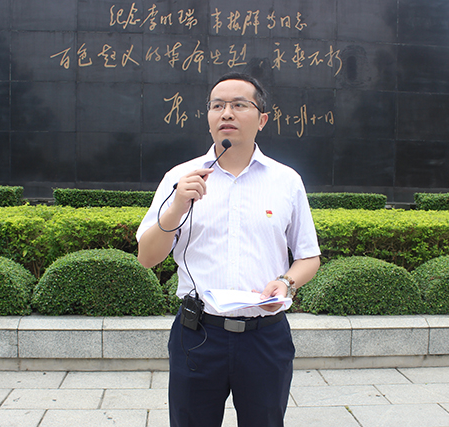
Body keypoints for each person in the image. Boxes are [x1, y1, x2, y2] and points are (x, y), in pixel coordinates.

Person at [136, 72, 321, 427]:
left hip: (265, 338)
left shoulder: (286, 181)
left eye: (239, 105)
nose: (226, 113)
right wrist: (176, 206)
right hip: (198, 336)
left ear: (262, 119)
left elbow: (308, 256)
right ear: (208, 118)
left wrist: (286, 282)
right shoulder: (180, 178)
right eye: (217, 106)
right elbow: (147, 257)